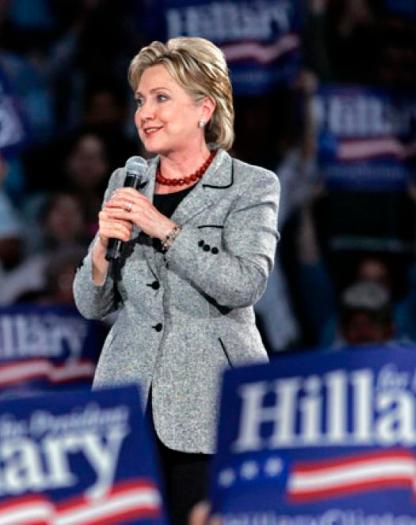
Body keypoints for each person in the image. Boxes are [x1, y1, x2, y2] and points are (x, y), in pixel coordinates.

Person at [72, 37, 280, 524]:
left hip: (210, 402)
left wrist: (163, 228)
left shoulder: (252, 185)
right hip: (127, 395)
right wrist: (100, 247)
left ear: (205, 107)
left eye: (161, 97)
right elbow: (90, 304)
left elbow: (245, 284)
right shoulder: (127, 179)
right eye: (141, 100)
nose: (145, 112)